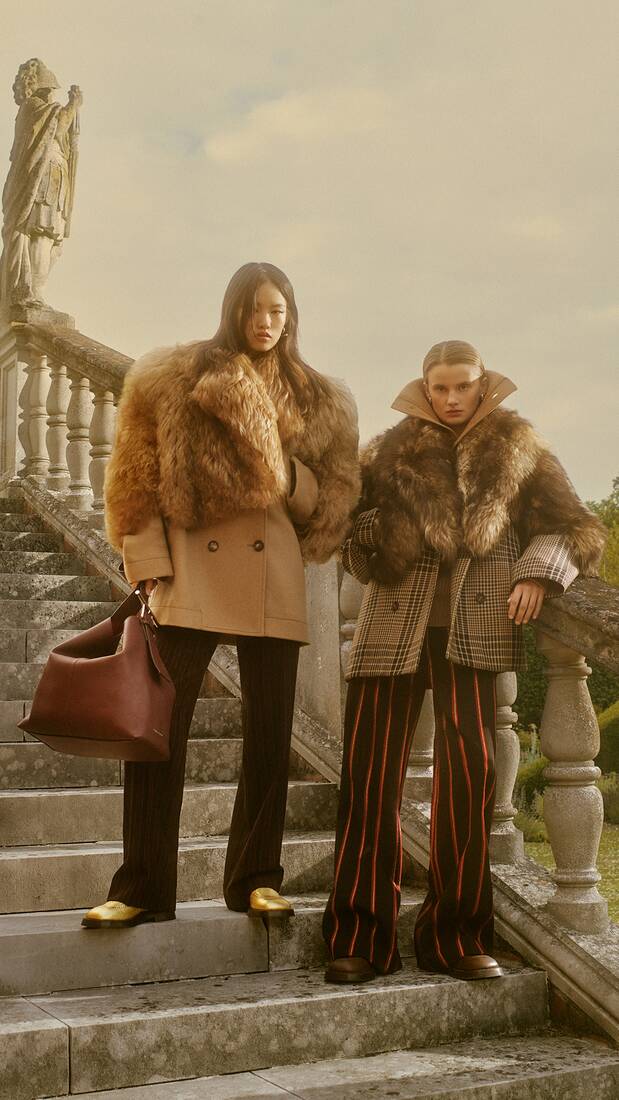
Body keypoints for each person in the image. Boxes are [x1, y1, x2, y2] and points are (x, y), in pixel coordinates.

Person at [83, 261, 360, 928]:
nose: (266, 322)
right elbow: (135, 477)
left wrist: (283, 473)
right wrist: (147, 564)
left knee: (269, 737)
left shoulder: (320, 397)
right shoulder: (174, 376)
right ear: (232, 310)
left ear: (292, 315)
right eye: (254, 309)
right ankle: (140, 886)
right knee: (155, 734)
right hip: (189, 570)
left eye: (278, 310)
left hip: (272, 572)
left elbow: (334, 502)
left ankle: (256, 879)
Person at [322, 339, 606, 983]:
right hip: (391, 626)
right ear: (424, 387)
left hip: (476, 631)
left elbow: (573, 527)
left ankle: (456, 938)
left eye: (463, 387)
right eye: (440, 387)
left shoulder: (518, 446)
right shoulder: (390, 448)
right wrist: (385, 537)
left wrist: (537, 573)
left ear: (483, 385)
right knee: (369, 778)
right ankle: (359, 939)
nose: (451, 399)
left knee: (469, 782)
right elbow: (351, 538)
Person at [1, 58, 81, 305]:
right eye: (49, 91)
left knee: (47, 238)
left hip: (52, 176)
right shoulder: (32, 107)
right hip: (42, 179)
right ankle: (34, 293)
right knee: (41, 232)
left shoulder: (34, 109)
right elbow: (57, 128)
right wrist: (73, 105)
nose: (51, 96)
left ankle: (35, 291)